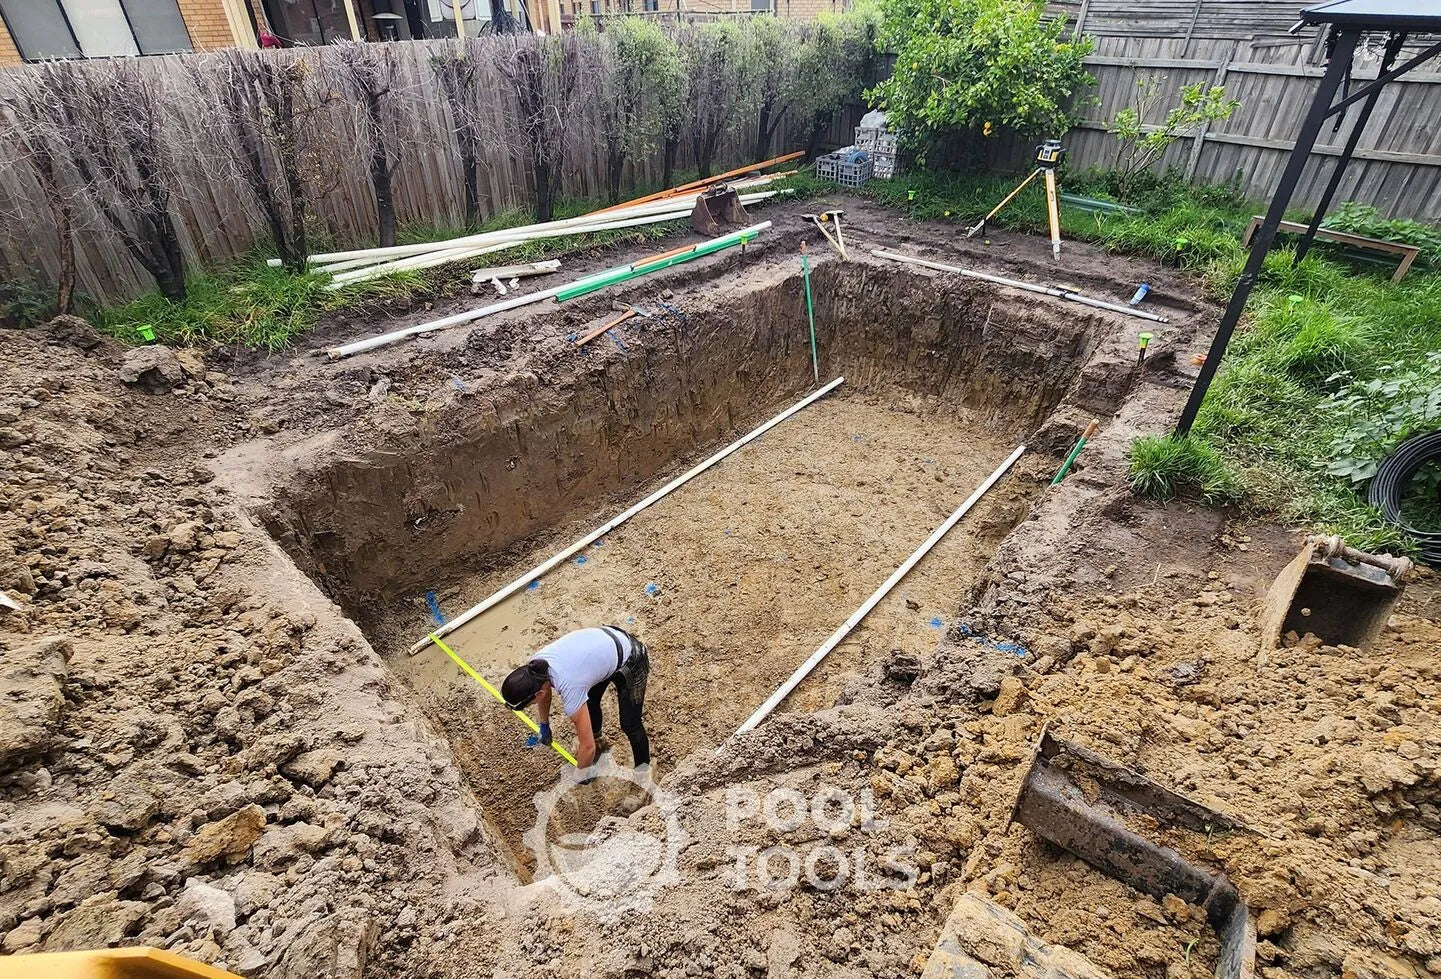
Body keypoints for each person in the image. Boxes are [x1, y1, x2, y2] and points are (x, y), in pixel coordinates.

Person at [501, 626, 651, 771]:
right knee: (590, 702)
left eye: (530, 704)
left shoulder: (570, 687)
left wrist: (581, 774)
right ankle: (598, 740)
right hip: (604, 649)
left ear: (537, 694)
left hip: (631, 658)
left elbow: (588, 747)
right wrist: (544, 723)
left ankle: (643, 772)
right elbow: (544, 691)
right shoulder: (536, 666)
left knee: (630, 725)